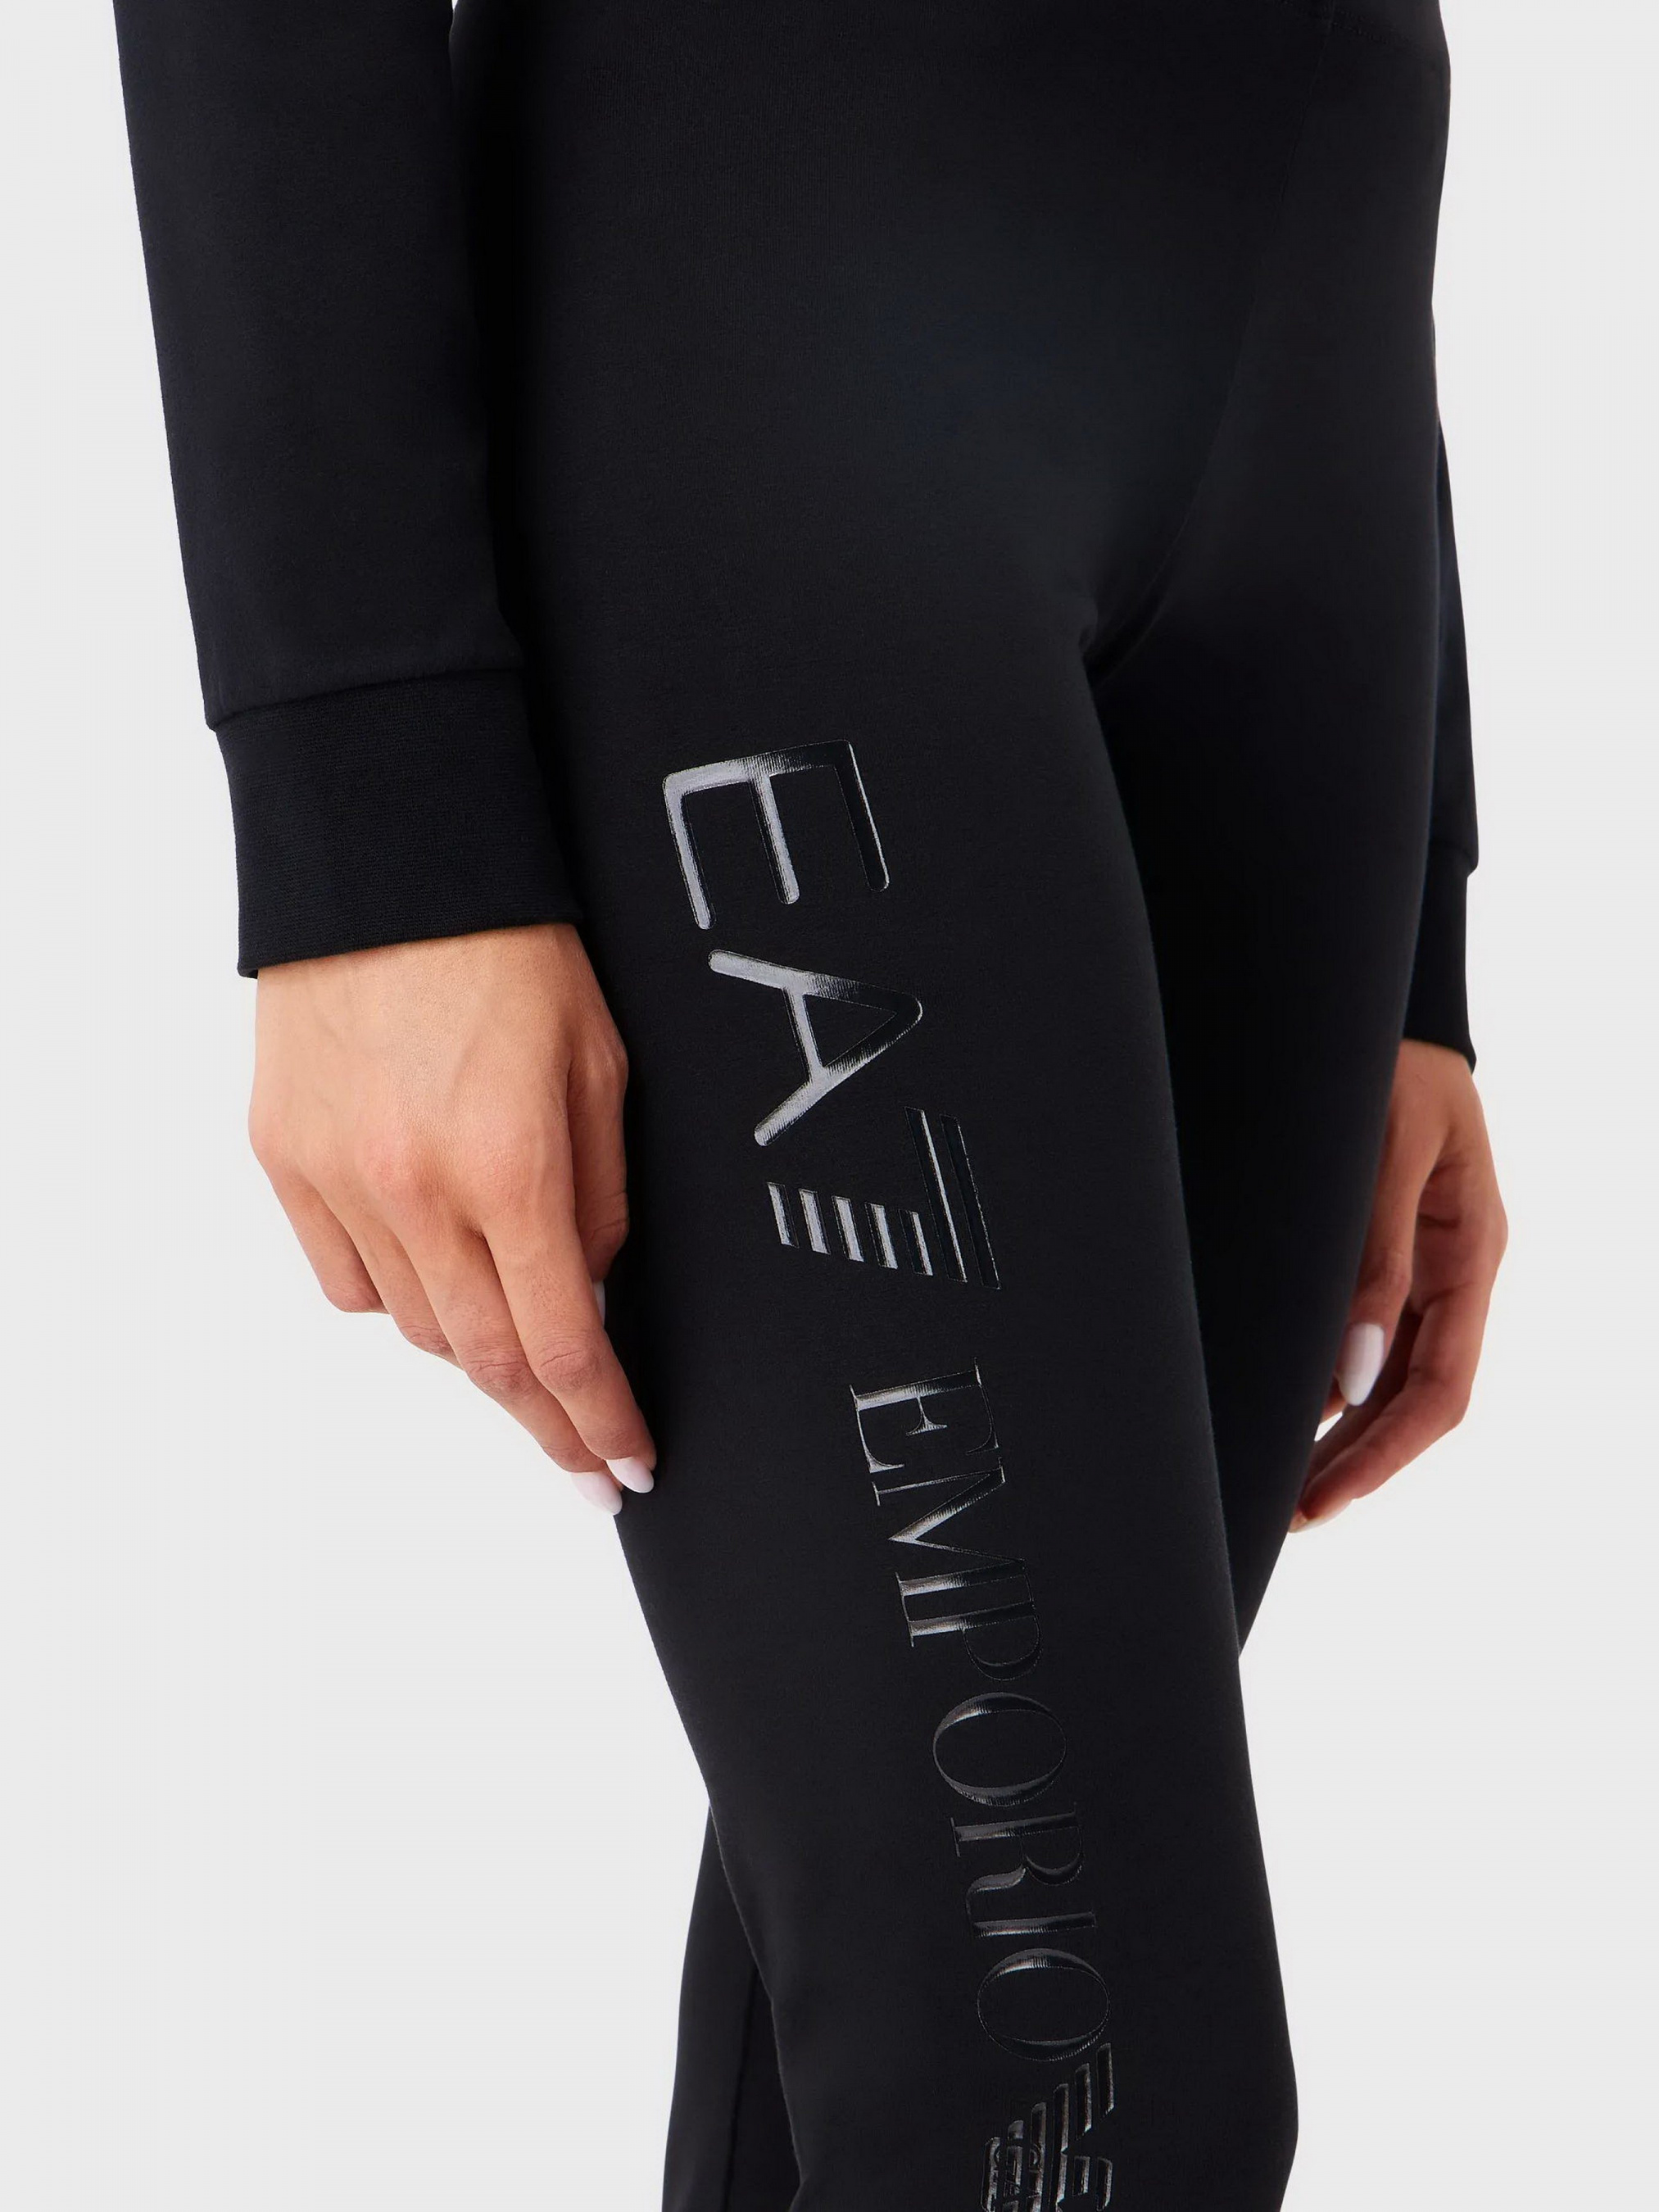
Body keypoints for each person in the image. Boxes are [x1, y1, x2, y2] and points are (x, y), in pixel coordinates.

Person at [112, 0, 1507, 2203]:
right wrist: (367, 812)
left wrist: (1418, 927)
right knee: (1073, 2103)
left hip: (1309, 353)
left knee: (950, 2041)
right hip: (770, 338)